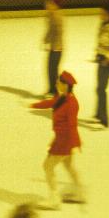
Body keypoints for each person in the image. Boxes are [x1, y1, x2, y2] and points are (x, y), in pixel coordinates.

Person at [30, 71, 83, 209]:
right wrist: (33, 105)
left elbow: (72, 125)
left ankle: (54, 199)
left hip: (64, 141)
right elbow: (50, 102)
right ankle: (80, 192)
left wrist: (74, 142)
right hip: (62, 139)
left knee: (47, 167)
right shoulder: (62, 97)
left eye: (59, 82)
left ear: (65, 85)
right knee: (68, 166)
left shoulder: (71, 103)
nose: (56, 83)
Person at [43, 0, 64, 96]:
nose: (47, 5)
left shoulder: (57, 16)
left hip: (57, 48)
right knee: (50, 69)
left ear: (55, 5)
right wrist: (46, 40)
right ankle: (52, 89)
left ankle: (55, 91)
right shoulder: (51, 15)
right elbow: (50, 30)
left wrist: (50, 42)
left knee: (53, 70)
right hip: (54, 47)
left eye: (49, 4)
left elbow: (57, 32)